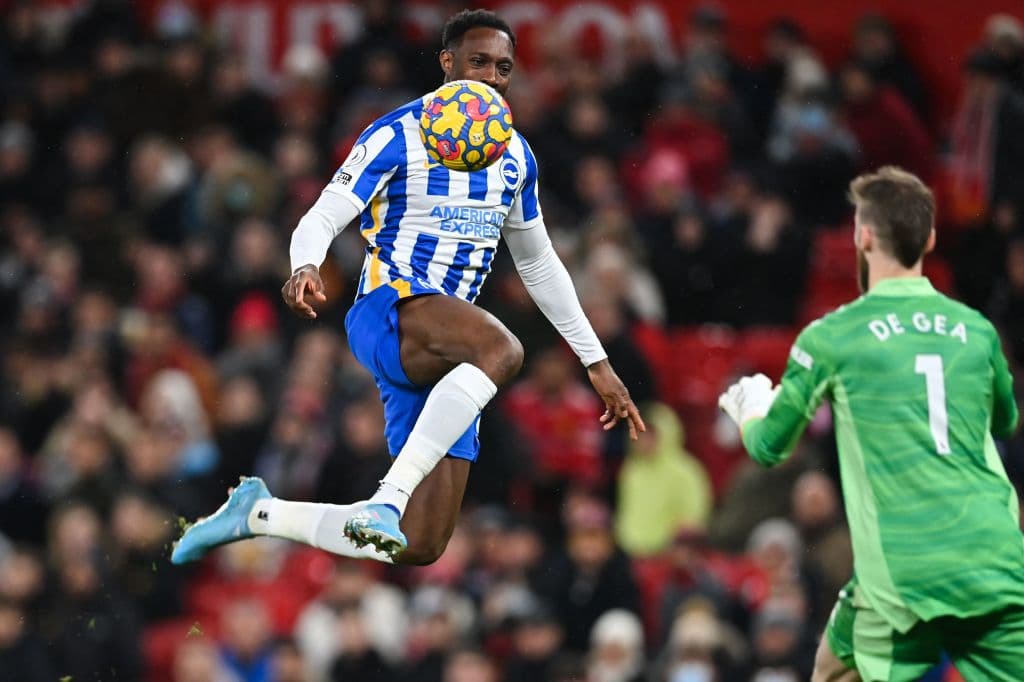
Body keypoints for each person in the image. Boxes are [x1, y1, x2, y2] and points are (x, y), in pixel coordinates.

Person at [171, 9, 643, 567]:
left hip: (452, 355)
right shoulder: (398, 132)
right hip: (389, 312)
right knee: (504, 349)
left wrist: (596, 361)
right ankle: (387, 499)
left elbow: (539, 265)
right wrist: (304, 264)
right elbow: (323, 214)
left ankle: (258, 514)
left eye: (504, 67)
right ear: (447, 63)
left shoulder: (516, 156)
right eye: (479, 62)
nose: (491, 77)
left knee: (418, 545)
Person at [719, 166, 1024, 681]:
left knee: (832, 674)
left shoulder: (833, 336)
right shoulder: (977, 331)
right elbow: (1007, 420)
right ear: (929, 237)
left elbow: (770, 447)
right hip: (992, 553)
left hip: (903, 567)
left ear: (862, 237)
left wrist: (750, 407)